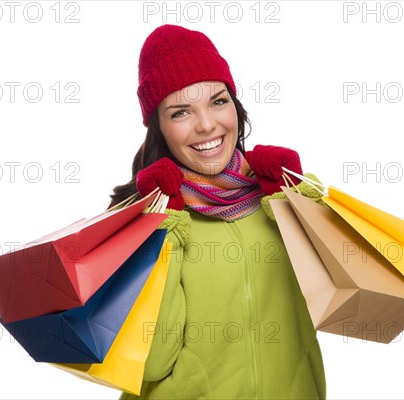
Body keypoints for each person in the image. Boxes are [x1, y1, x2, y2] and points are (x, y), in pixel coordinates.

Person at [109, 24, 326, 399]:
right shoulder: (140, 218)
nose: (207, 124)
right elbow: (152, 361)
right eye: (180, 112)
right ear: (158, 127)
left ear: (236, 105)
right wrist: (163, 227)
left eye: (218, 101)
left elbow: (347, 303)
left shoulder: (280, 197)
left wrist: (296, 202)